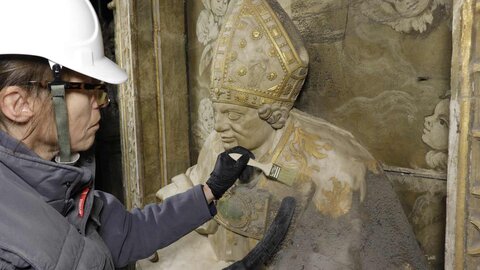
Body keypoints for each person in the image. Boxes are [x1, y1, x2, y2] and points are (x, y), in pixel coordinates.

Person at [156, 0, 428, 269]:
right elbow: (197, 182)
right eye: (218, 112)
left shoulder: (334, 166)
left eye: (234, 115)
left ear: (272, 113)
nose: (218, 126)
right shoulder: (221, 142)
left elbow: (336, 255)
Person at [0, 1, 253, 269]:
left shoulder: (61, 187)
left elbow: (129, 232)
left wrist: (209, 190)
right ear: (19, 104)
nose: (101, 103)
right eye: (90, 89)